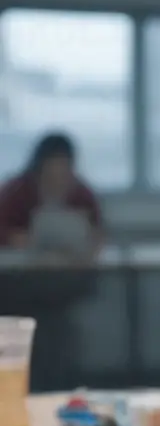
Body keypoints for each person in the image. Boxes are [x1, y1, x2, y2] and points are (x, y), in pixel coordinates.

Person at [0, 133, 103, 389]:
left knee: (56, 332)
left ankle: (57, 384)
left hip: (63, 284)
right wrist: (22, 240)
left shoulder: (81, 192)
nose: (59, 178)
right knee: (43, 330)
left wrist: (87, 248)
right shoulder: (17, 190)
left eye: (64, 171)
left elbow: (98, 232)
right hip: (20, 285)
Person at [0, 132, 103, 251]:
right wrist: (16, 239)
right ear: (39, 169)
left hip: (74, 264)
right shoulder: (15, 192)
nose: (58, 181)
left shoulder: (83, 195)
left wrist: (92, 242)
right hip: (20, 264)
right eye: (51, 174)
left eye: (63, 172)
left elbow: (98, 231)